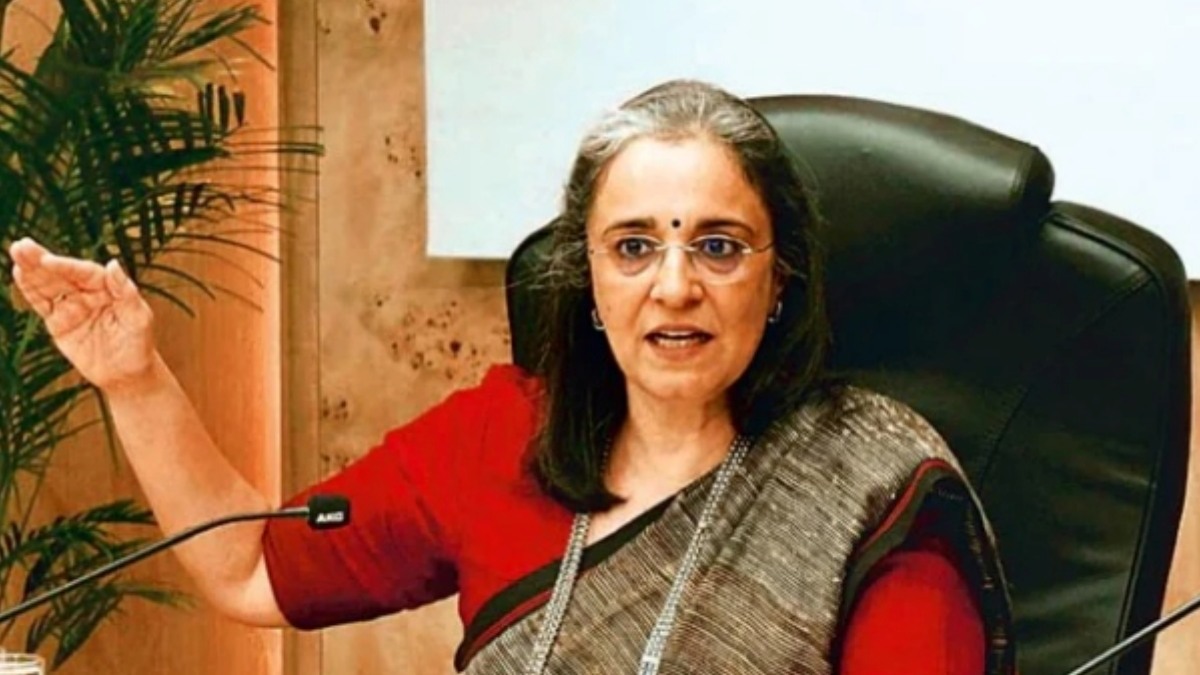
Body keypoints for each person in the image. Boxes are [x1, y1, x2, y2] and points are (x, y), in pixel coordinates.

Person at [8, 79, 1014, 674]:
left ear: (779, 279)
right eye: (634, 247)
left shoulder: (872, 487)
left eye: (718, 246)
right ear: (587, 281)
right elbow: (246, 570)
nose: (674, 287)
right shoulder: (502, 436)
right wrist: (134, 377)